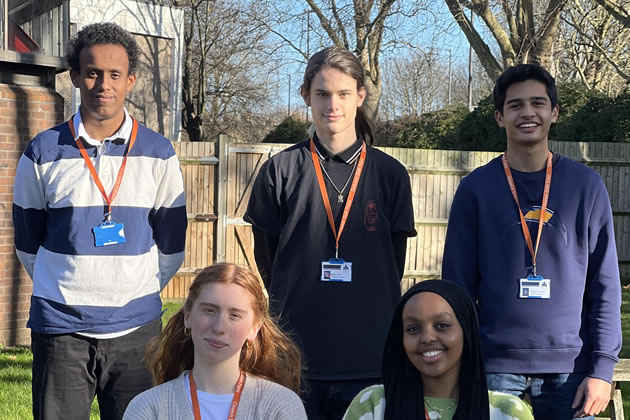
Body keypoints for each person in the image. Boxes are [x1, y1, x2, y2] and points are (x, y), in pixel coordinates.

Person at [12, 22, 187, 419]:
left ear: (131, 80)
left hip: (137, 330)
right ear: (74, 76)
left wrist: (131, 289)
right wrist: (69, 285)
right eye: (91, 72)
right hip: (61, 329)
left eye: (114, 74)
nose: (102, 84)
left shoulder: (159, 153)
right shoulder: (42, 152)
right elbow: (28, 243)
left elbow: (172, 246)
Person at [244, 46, 416, 419]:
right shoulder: (280, 171)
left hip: (370, 359)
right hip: (296, 359)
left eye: (342, 94)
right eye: (322, 94)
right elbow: (269, 261)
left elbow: (393, 263)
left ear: (360, 96)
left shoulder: (390, 175)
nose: (332, 105)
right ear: (306, 95)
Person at [441, 64, 621, 419]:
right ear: (499, 116)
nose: (527, 113)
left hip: (572, 368)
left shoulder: (585, 187)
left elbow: (605, 285)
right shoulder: (475, 190)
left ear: (554, 112)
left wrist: (602, 368)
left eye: (538, 103)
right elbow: (456, 289)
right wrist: (456, 365)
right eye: (515, 105)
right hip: (493, 367)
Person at [123, 262, 307, 419]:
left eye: (234, 315)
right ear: (188, 315)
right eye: (209, 310)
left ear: (254, 328)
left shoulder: (281, 407)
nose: (219, 327)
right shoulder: (149, 408)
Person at [343, 279, 534, 420]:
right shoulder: (373, 406)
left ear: (466, 331)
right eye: (413, 329)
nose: (427, 338)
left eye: (442, 325)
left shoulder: (507, 413)